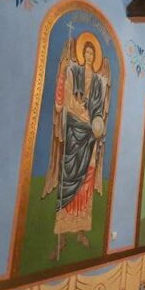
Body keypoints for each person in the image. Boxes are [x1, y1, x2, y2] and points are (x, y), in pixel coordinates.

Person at [43, 33, 110, 256]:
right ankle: (62, 233)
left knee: (87, 178)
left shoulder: (98, 83)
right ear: (83, 54)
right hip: (74, 132)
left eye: (92, 53)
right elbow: (66, 100)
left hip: (90, 135)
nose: (89, 56)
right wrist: (79, 111)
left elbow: (98, 110)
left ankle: (80, 229)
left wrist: (96, 122)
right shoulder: (75, 73)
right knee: (69, 176)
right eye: (87, 52)